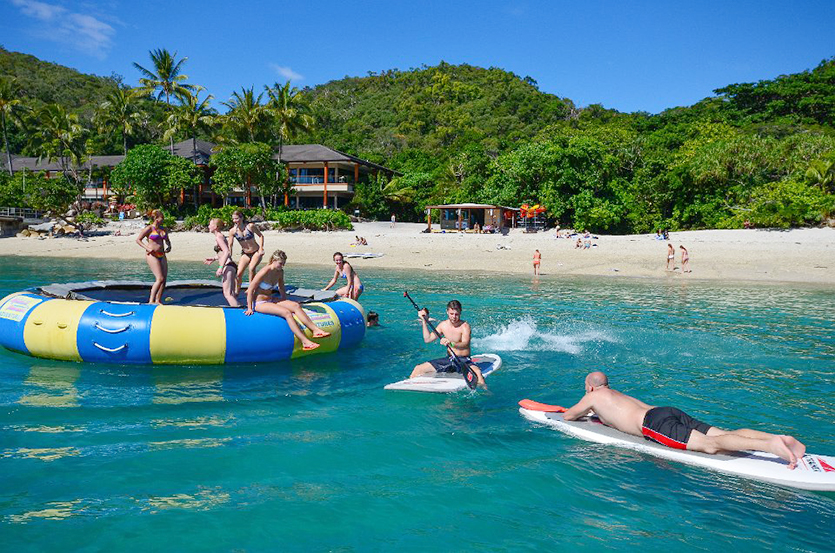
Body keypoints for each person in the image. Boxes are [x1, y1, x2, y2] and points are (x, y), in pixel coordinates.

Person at [562, 371, 807, 469]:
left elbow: (569, 416)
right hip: (667, 411)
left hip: (655, 425)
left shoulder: (593, 397)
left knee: (711, 446)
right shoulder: (614, 394)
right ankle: (776, 438)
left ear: (590, 387)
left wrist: (583, 408)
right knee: (721, 432)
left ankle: (769, 447)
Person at [246, 250, 330, 351]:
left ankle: (316, 330)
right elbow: (250, 290)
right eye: (280, 263)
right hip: (260, 303)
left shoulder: (280, 272)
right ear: (274, 260)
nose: (282, 266)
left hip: (271, 299)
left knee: (295, 306)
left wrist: (285, 301)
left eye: (283, 264)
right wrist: (249, 308)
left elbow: (281, 287)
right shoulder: (264, 271)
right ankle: (305, 342)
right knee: (286, 313)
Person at [410, 300, 486, 387]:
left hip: (463, 360)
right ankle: (408, 389)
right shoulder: (443, 325)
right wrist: (424, 321)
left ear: (460, 312)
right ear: (447, 312)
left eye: (456, 314)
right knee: (418, 369)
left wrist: (451, 344)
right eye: (451, 314)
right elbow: (428, 339)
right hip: (449, 360)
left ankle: (485, 392)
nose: (454, 317)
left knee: (478, 374)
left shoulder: (465, 326)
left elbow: (465, 343)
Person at [135, 209, 171, 304]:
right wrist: (147, 247)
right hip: (152, 255)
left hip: (162, 254)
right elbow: (138, 240)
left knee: (164, 280)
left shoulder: (163, 229)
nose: (162, 220)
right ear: (156, 218)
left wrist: (169, 246)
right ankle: (151, 301)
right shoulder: (149, 229)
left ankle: (158, 300)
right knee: (159, 278)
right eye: (161, 218)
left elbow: (167, 240)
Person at [228, 210, 265, 295]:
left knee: (251, 268)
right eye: (233, 219)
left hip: (256, 251)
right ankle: (237, 291)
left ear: (241, 218)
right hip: (245, 253)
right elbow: (230, 244)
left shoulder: (250, 226)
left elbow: (261, 236)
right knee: (239, 273)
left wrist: (261, 248)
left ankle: (251, 289)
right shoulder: (232, 231)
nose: (234, 221)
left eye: (236, 218)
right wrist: (229, 256)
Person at [204, 218, 239, 307]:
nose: (208, 226)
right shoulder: (220, 236)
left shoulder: (218, 237)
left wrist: (220, 267)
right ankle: (240, 309)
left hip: (228, 266)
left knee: (227, 294)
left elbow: (227, 252)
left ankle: (239, 312)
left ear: (215, 227)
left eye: (210, 224)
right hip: (231, 266)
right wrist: (214, 258)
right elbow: (222, 253)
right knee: (231, 293)